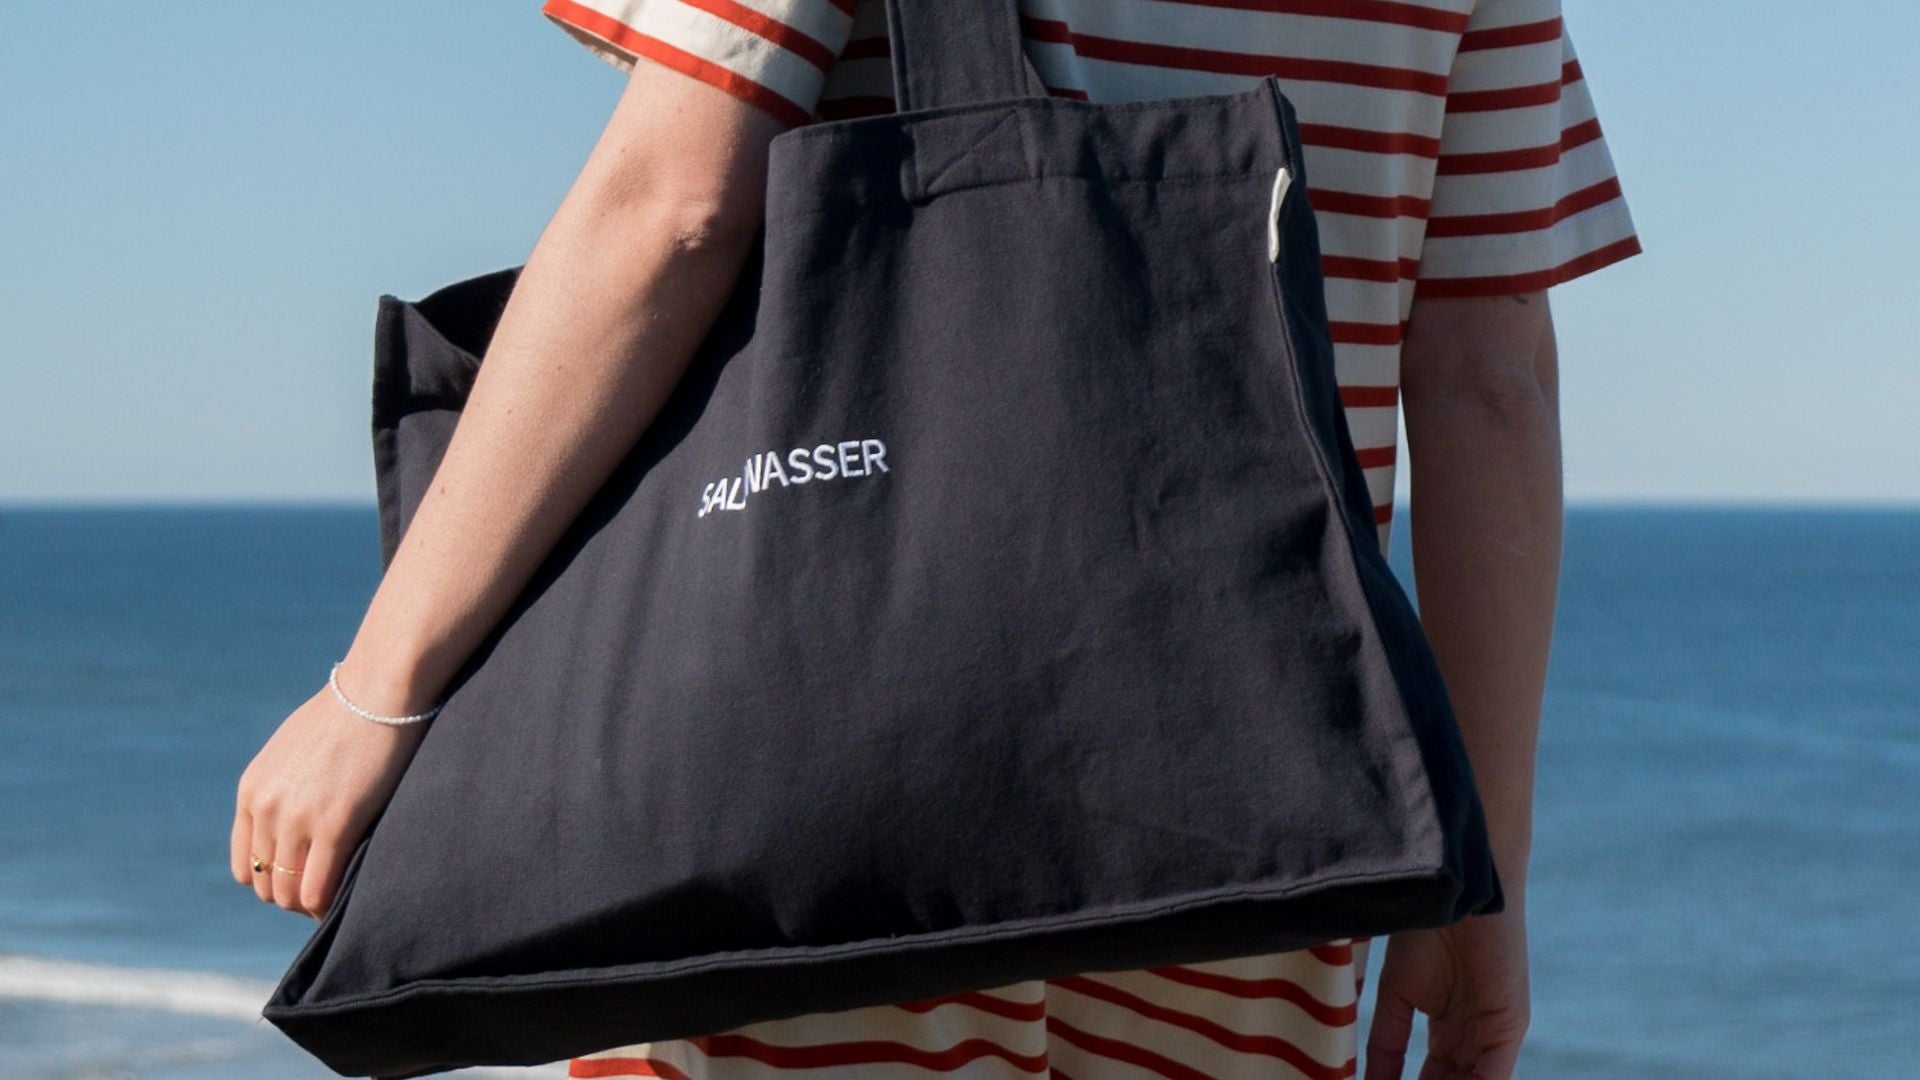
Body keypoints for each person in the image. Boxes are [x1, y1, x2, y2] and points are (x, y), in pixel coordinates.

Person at [231, 0, 1640, 1076]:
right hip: (1259, 796)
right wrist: (1477, 871)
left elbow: (675, 208)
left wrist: (379, 688)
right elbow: (1487, 377)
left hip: (827, 801)